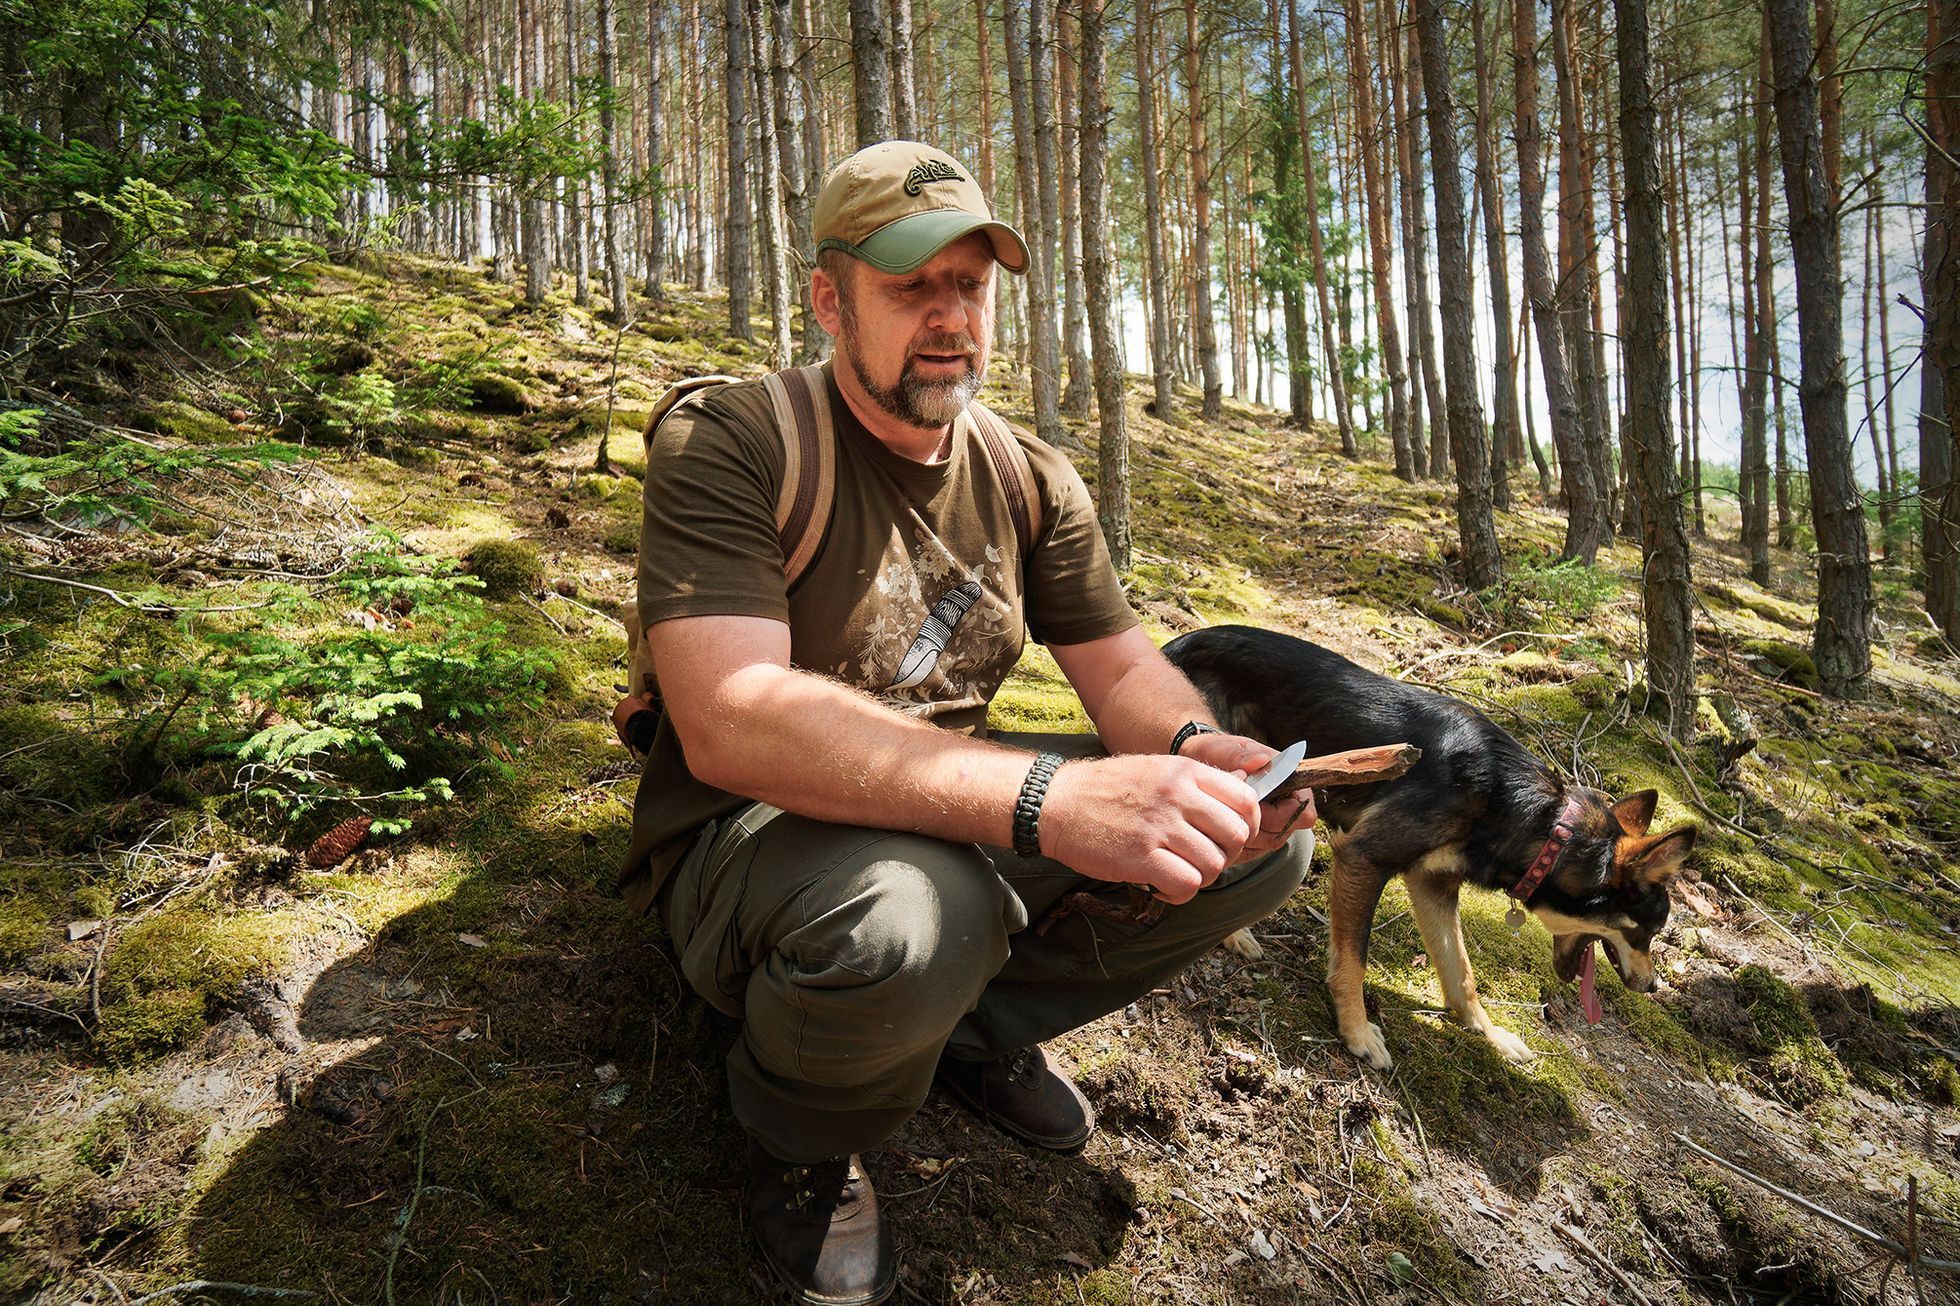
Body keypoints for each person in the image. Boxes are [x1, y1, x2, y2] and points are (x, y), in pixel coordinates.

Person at [617, 140, 1316, 1306]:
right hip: (752, 836)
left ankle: (960, 1036)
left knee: (1253, 842)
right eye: (910, 287)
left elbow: (1122, 666)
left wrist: (1197, 753)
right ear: (830, 301)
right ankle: (803, 1131)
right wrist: (1047, 800)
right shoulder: (736, 442)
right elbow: (733, 720)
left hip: (945, 812)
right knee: (906, 920)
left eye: (972, 286)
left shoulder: (1027, 473)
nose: (950, 320)